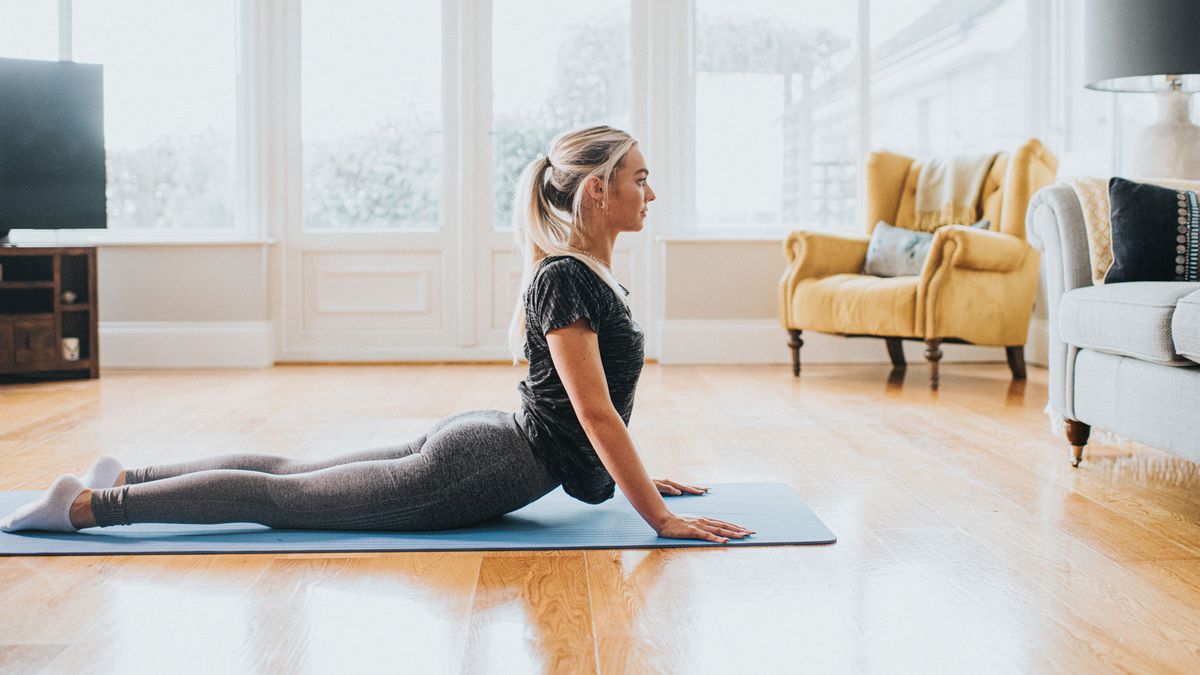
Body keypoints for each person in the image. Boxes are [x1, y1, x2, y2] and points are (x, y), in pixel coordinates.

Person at [0, 125, 753, 544]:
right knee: (286, 498)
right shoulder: (567, 278)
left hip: (492, 441)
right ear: (599, 189)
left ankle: (124, 476)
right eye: (640, 178)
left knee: (292, 472)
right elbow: (592, 413)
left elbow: (591, 409)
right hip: (483, 464)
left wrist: (643, 475)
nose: (650, 192)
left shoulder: (582, 273)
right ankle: (85, 507)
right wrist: (657, 515)